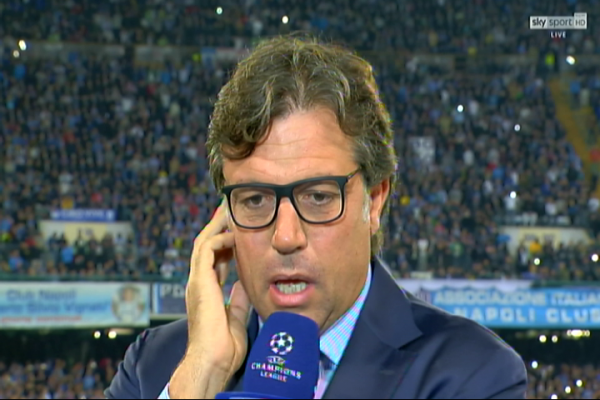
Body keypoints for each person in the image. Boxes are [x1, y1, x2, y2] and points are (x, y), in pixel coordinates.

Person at [105, 35, 527, 399]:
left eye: (318, 197)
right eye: (255, 200)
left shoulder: (471, 372)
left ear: (374, 201)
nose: (286, 237)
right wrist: (201, 376)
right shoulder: (155, 365)